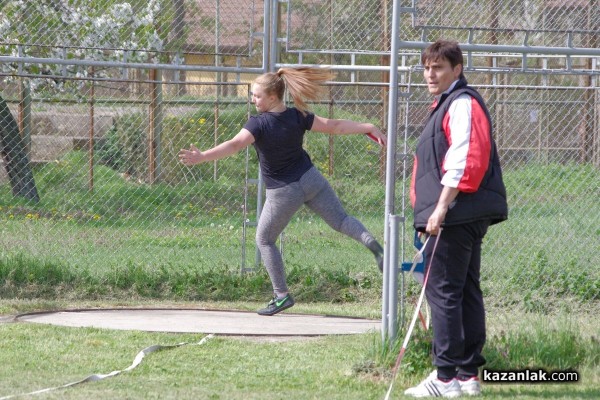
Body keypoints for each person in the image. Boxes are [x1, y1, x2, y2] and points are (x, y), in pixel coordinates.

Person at [179, 67, 387, 316]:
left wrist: (203, 157)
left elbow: (234, 145)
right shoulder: (298, 115)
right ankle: (374, 247)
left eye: (256, 96)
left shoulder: (258, 123)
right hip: (311, 179)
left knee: (264, 239)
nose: (253, 99)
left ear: (272, 97)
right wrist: (367, 126)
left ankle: (281, 296)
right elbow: (335, 126)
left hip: (283, 192)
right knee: (341, 220)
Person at [404, 40, 508, 397]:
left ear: (457, 70)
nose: (430, 74)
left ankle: (445, 377)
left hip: (456, 213)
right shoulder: (446, 104)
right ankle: (467, 376)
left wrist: (440, 207)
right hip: (460, 213)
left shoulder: (462, 103)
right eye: (426, 68)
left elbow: (465, 159)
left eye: (439, 68)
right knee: (463, 291)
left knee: (444, 291)